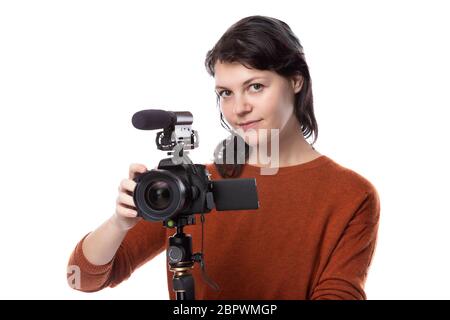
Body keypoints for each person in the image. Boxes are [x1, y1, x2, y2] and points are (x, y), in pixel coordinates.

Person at [67, 15, 380, 300]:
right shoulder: (191, 185)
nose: (238, 108)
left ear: (296, 81)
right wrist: (120, 223)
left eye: (255, 87)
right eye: (225, 93)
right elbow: (82, 278)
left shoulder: (350, 194)